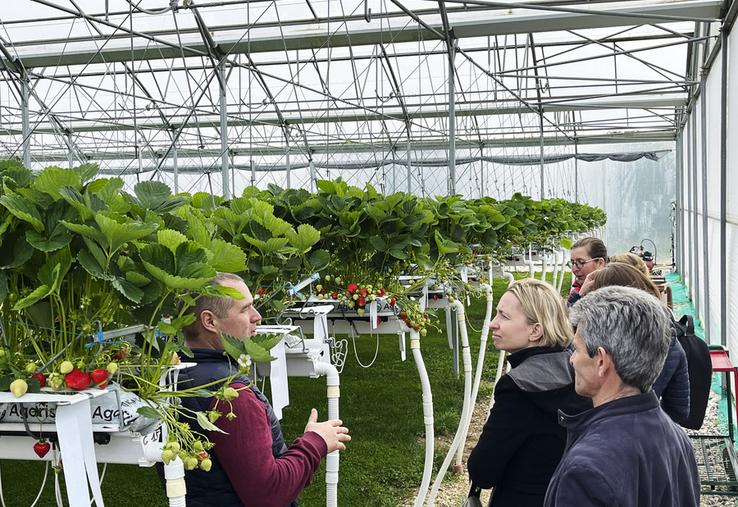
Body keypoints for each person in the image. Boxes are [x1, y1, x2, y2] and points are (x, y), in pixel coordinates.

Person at [180, 273, 350, 507]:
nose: (257, 317)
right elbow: (269, 493)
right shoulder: (231, 397)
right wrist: (315, 443)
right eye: (245, 309)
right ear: (210, 321)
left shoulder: (175, 379)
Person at [544, 286, 699, 506]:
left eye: (576, 349)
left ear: (601, 361)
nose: (572, 360)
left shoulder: (586, 469)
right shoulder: (676, 437)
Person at [467, 279, 591, 507]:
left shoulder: (517, 388)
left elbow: (483, 470)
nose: (493, 324)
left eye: (504, 317)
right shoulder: (579, 373)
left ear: (535, 331)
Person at [584, 262, 690, 423]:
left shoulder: (598, 346)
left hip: (603, 431)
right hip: (649, 433)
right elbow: (679, 411)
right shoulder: (671, 340)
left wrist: (576, 299)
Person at [566, 237, 607, 306]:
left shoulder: (614, 295)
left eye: (581, 262)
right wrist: (579, 296)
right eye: (573, 263)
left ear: (600, 263)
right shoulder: (576, 292)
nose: (574, 269)